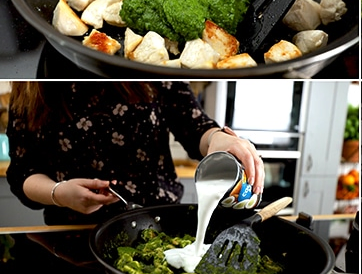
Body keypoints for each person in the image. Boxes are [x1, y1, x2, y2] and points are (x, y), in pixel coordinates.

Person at [6, 81, 264, 225]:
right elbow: (22, 171)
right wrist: (59, 193)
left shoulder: (150, 71)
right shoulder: (31, 88)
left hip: (160, 222)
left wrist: (217, 138)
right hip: (72, 232)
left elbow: (195, 127)